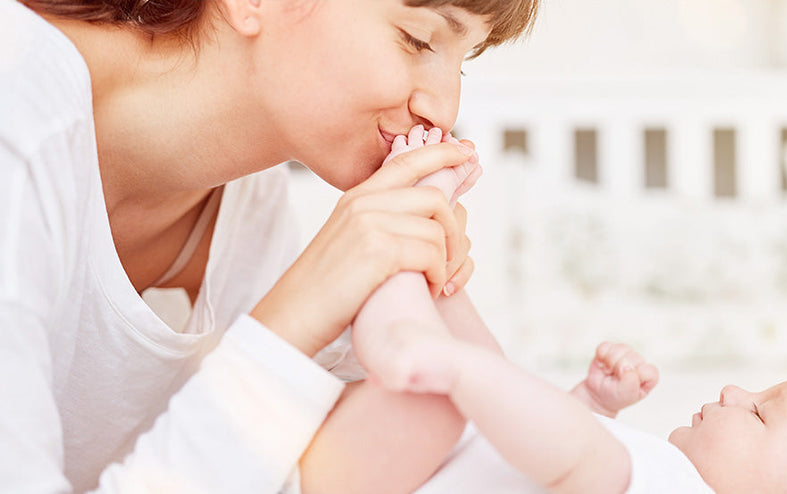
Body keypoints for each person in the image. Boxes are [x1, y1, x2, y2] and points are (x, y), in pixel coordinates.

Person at [0, 0, 537, 492]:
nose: (444, 110)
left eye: (462, 62)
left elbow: (307, 470)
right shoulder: (16, 106)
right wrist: (295, 313)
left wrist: (419, 291)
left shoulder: (247, 201)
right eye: (418, 40)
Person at [356, 321, 787, 494]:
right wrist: (590, 405)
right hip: (430, 464)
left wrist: (464, 370)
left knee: (471, 360)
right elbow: (551, 466)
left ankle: (420, 234)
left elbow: (572, 455)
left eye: (761, 413)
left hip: (391, 470)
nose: (733, 393)